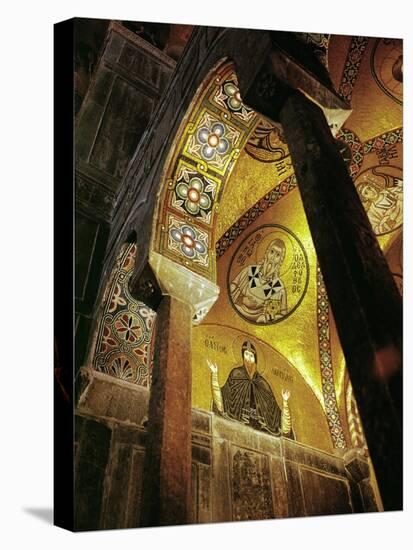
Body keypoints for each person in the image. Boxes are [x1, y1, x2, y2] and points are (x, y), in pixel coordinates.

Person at [207, 341, 293, 438]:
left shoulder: (263, 383)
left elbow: (274, 413)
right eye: (246, 355)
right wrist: (214, 374)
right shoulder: (236, 374)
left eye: (251, 356)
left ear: (255, 360)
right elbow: (223, 399)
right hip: (237, 425)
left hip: (262, 432)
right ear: (242, 357)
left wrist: (285, 401)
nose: (249, 359)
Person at [230, 239, 287, 323]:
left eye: (278, 255)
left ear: (280, 260)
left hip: (259, 320)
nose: (273, 257)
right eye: (272, 252)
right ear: (267, 253)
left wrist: (267, 318)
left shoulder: (277, 286)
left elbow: (283, 315)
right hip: (239, 311)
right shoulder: (250, 271)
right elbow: (231, 288)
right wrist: (241, 299)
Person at [357, 170, 403, 235]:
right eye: (366, 193)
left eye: (369, 188)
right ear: (365, 198)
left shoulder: (389, 191)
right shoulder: (371, 213)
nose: (371, 192)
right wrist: (387, 221)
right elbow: (376, 230)